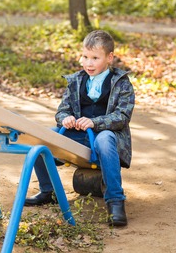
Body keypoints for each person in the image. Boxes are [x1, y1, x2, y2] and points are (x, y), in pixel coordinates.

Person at [24, 30, 135, 227]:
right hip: (78, 135)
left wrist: (95, 122)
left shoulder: (121, 83)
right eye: (85, 57)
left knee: (104, 139)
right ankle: (48, 191)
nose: (89, 63)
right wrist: (65, 118)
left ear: (109, 58)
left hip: (108, 136)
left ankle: (115, 201)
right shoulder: (76, 81)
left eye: (95, 58)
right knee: (42, 137)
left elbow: (122, 117)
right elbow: (61, 111)